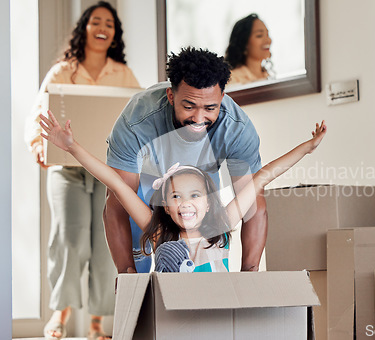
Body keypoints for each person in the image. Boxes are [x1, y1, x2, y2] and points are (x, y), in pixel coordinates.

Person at [39, 110, 327, 271]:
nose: (186, 204)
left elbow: (262, 176)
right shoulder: (160, 233)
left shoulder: (220, 227)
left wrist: (308, 147)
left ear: (208, 202)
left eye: (195, 195)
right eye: (176, 196)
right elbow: (115, 183)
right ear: (165, 205)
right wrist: (72, 147)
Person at [24, 2, 140, 339]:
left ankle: (96, 322)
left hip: (105, 170)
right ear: (84, 29)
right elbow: (37, 113)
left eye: (109, 23)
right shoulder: (63, 70)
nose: (103, 27)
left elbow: (140, 113)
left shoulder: (123, 74)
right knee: (70, 239)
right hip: (66, 169)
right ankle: (61, 312)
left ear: (114, 33)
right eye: (95, 21)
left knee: (106, 245)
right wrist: (37, 145)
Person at [103, 47, 267, 276]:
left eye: (210, 108)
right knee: (136, 268)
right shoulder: (136, 121)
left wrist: (250, 273)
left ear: (222, 97)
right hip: (148, 177)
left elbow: (253, 205)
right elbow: (117, 202)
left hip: (200, 173)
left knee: (206, 252)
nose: (199, 119)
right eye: (189, 107)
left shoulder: (237, 130)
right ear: (171, 96)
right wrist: (126, 272)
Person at [225, 13, 273, 85]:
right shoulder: (232, 79)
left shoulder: (267, 76)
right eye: (259, 35)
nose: (268, 40)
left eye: (267, 34)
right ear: (244, 43)